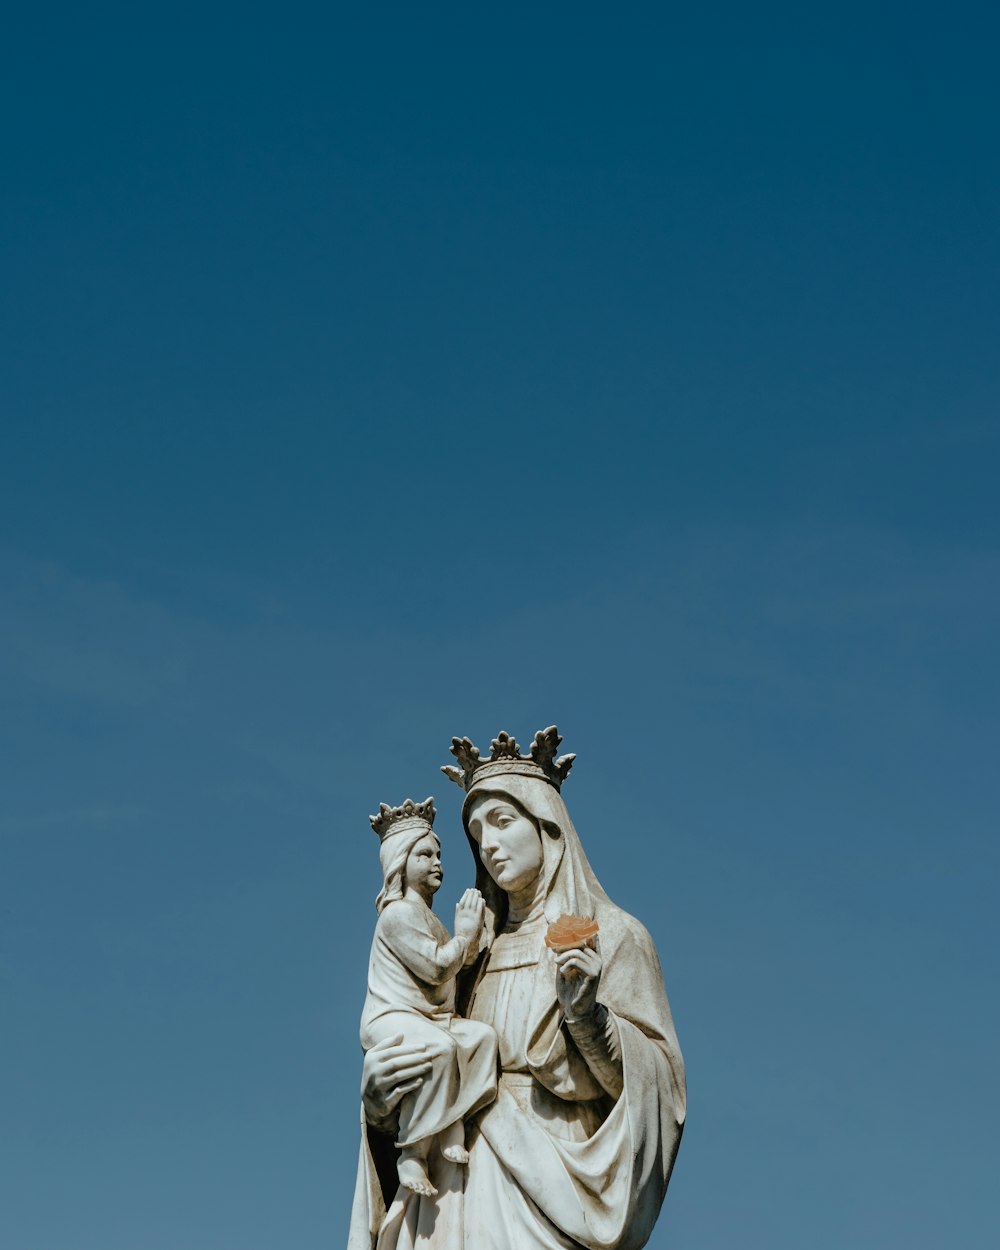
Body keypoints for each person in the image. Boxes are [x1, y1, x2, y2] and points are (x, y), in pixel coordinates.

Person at [349, 731, 686, 1250]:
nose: (487, 844)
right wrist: (380, 1105)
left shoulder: (613, 936)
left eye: (503, 822)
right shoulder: (469, 955)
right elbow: (424, 1052)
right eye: (476, 833)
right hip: (448, 1189)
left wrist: (588, 1018)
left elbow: (658, 1086)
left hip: (556, 1175)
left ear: (546, 827)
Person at [360, 798, 498, 1202]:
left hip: (432, 1017)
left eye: (438, 853)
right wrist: (465, 935)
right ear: (400, 863)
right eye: (425, 854)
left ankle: (453, 1123)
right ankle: (413, 1150)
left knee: (481, 1039)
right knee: (438, 1050)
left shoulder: (431, 919)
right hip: (392, 1017)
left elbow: (453, 966)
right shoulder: (397, 915)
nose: (437, 862)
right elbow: (438, 968)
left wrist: (473, 940)